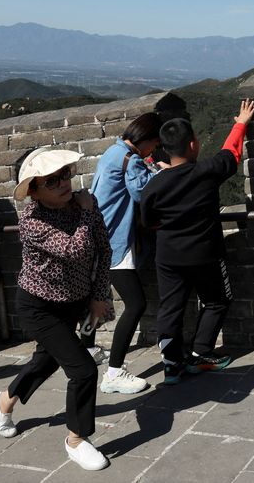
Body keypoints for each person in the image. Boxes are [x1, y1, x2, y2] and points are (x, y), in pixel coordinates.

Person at [0, 148, 112, 471]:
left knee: (46, 361)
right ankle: (77, 439)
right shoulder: (31, 221)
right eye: (52, 180)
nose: (63, 183)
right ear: (34, 191)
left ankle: (2, 403)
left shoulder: (84, 205)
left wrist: (99, 297)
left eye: (65, 174)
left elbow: (103, 249)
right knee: (83, 369)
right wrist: (86, 212)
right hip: (39, 306)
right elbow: (74, 249)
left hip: (75, 301)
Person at [140, 99, 254, 385]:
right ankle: (202, 352)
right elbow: (231, 153)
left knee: (171, 308)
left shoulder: (154, 184)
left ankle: (172, 365)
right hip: (206, 254)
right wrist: (241, 123)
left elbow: (149, 221)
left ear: (165, 148)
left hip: (169, 257)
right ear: (193, 144)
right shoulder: (207, 171)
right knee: (218, 300)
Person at [88, 113, 165, 394]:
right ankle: (114, 372)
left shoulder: (113, 150)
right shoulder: (131, 159)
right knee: (136, 304)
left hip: (97, 237)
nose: (153, 150)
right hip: (114, 241)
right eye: (154, 144)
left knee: (96, 298)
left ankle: (87, 349)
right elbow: (144, 193)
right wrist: (162, 171)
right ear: (146, 139)